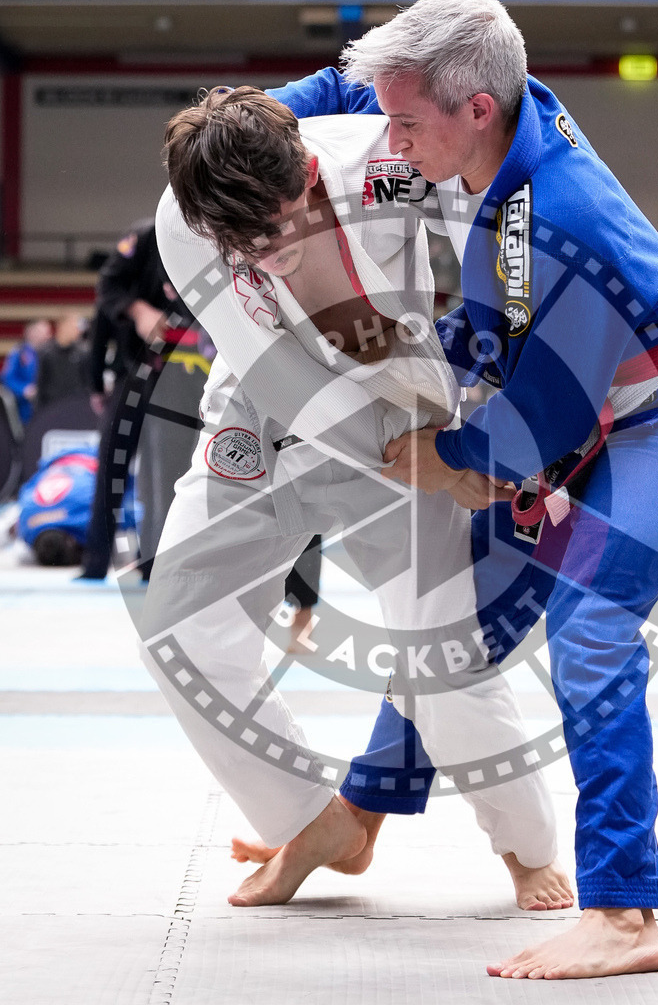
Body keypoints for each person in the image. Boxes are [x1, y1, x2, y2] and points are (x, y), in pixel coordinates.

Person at [265, 0, 658, 980]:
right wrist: (257, 121)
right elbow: (355, 82)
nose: (390, 139)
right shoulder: (495, 101)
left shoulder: (547, 226)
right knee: (458, 619)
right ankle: (361, 814)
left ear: (474, 111)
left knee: (592, 632)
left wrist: (451, 460)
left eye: (406, 124)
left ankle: (627, 912)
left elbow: (538, 419)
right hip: (583, 402)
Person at [144, 85, 572, 914]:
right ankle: (310, 820)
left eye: (273, 228)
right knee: (179, 629)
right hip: (265, 419)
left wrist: (639, 266)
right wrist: (438, 470)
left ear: (307, 172)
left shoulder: (385, 156)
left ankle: (527, 850)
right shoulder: (185, 218)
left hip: (406, 401)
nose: (261, 255)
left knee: (440, 656)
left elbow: (521, 195)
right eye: (241, 244)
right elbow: (290, 385)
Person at [79, 219, 210, 581]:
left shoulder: (216, 238)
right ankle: (95, 562)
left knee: (171, 469)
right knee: (113, 462)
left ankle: (155, 562)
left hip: (188, 376)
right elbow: (106, 292)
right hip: (134, 370)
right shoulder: (147, 236)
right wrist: (138, 312)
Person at [16, 444, 138, 566]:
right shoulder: (25, 528)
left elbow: (129, 513)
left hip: (96, 457)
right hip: (55, 462)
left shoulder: (88, 519)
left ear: (72, 541)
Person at [35, 313, 91, 410]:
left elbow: (87, 382)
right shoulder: (45, 352)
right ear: (62, 326)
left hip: (76, 406)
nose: (77, 330)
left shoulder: (83, 352)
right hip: (52, 407)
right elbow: (40, 383)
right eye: (73, 326)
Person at [0, 318, 51, 425]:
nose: (46, 335)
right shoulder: (19, 352)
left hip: (46, 403)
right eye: (42, 332)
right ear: (31, 332)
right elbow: (7, 377)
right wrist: (24, 389)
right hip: (24, 406)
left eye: (47, 332)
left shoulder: (50, 353)